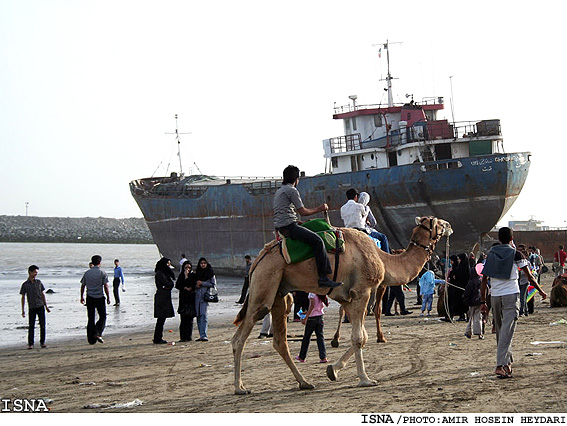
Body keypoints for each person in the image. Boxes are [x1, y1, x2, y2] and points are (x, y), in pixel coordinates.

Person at [480, 227, 547, 379]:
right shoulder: (516, 254)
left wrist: (483, 301)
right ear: (511, 238)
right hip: (511, 294)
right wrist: (540, 291)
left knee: (502, 331)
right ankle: (499, 365)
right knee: (507, 331)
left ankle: (507, 365)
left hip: (495, 296)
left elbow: (484, 280)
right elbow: (529, 277)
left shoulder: (491, 255)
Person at [273, 165, 341, 289]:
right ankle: (323, 278)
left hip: (283, 226)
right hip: (289, 227)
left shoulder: (280, 190)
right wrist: (320, 208)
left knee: (311, 228)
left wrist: (299, 222)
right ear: (296, 179)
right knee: (318, 241)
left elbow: (286, 213)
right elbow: (303, 211)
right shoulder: (292, 190)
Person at [80, 255, 111, 344]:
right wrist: (108, 297)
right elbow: (105, 286)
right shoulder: (102, 273)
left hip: (90, 297)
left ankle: (91, 339)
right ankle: (97, 332)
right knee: (103, 316)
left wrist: (81, 297)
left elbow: (83, 285)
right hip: (99, 297)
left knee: (91, 318)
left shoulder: (87, 273)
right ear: (100, 263)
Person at [20, 265, 50, 349]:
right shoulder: (25, 284)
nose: (36, 274)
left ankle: (42, 342)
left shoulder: (39, 282)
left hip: (40, 306)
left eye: (36, 272)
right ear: (30, 272)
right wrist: (23, 310)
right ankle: (30, 343)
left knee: (42, 325)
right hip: (32, 307)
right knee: (31, 326)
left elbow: (42, 294)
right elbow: (23, 297)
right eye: (34, 272)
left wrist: (46, 306)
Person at [295, 293, 329, 363]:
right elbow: (316, 307)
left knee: (306, 338)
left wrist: (306, 318)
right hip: (320, 316)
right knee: (320, 337)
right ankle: (323, 357)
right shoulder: (320, 293)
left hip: (312, 318)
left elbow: (312, 306)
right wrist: (306, 313)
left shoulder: (312, 294)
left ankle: (302, 356)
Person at [153, 257, 175, 344]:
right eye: (168, 263)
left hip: (164, 295)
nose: (169, 265)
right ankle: (157, 338)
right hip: (162, 297)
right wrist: (169, 285)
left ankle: (158, 337)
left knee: (162, 319)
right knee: (161, 318)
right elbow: (168, 283)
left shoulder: (162, 272)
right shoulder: (160, 273)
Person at [194, 257, 216, 341]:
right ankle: (201, 334)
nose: (203, 265)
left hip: (205, 296)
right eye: (201, 263)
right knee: (198, 315)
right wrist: (196, 285)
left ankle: (204, 335)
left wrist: (202, 283)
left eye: (204, 263)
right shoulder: (197, 273)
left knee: (203, 315)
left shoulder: (210, 273)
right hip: (197, 296)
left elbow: (213, 284)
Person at [175, 260, 196, 342]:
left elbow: (193, 285)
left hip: (190, 299)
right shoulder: (181, 276)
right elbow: (178, 285)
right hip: (183, 300)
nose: (188, 269)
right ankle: (183, 337)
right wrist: (184, 286)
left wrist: (188, 280)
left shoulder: (193, 276)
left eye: (189, 267)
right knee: (183, 320)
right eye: (186, 267)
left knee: (190, 320)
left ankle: (189, 336)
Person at [463, 262, 485, 339]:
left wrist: (466, 301)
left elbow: (467, 293)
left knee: (471, 317)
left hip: (472, 303)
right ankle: (480, 333)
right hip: (479, 301)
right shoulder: (481, 281)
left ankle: (468, 332)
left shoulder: (471, 282)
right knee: (478, 317)